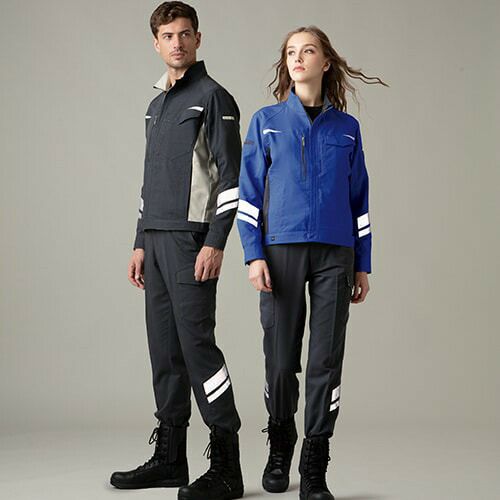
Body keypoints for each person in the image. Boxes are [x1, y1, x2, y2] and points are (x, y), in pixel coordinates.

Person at [237, 26, 387, 500]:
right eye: (291, 52)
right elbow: (248, 196)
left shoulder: (347, 128)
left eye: (308, 51)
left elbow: (360, 200)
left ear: (325, 62)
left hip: (335, 253)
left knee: (325, 360)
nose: (298, 58)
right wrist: (253, 254)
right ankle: (280, 445)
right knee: (281, 360)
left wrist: (362, 263)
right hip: (280, 250)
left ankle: (316, 462)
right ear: (286, 64)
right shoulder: (266, 122)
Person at [110, 3, 244, 499]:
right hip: (157, 240)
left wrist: (215, 241)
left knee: (197, 347)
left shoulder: (213, 98)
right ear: (156, 43)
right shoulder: (157, 106)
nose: (177, 43)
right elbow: (149, 182)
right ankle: (170, 459)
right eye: (168, 36)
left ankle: (227, 465)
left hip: (192, 242)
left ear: (198, 39)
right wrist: (139, 241)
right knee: (164, 351)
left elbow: (230, 178)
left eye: (185, 34)